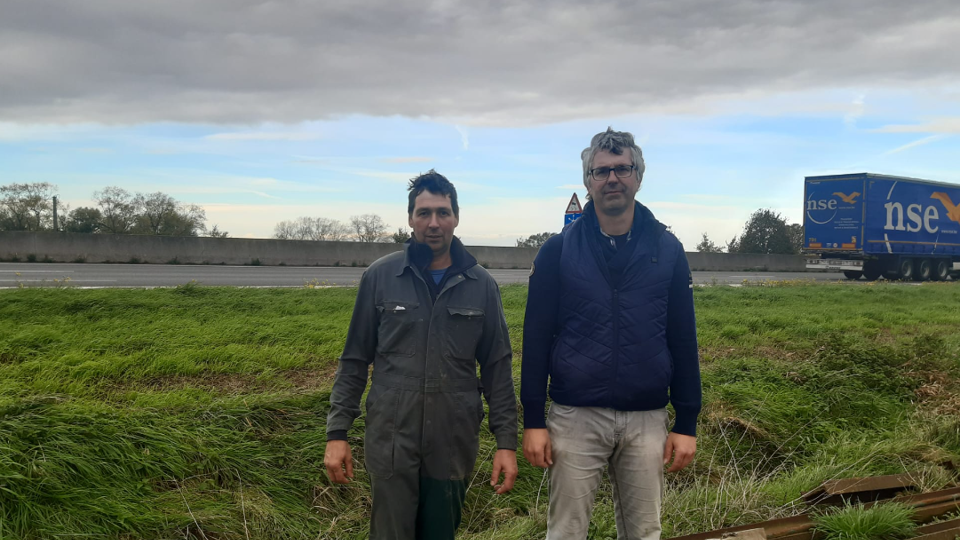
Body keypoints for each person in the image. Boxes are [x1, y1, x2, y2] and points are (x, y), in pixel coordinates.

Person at [521, 128, 702, 540]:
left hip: (647, 419)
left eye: (622, 169)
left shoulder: (668, 250)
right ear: (588, 182)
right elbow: (536, 339)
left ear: (638, 176)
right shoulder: (557, 251)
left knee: (643, 532)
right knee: (565, 531)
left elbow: (682, 338)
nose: (612, 179)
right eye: (601, 171)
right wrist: (533, 419)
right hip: (574, 418)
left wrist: (687, 420)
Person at [324, 170, 518, 540]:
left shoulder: (482, 286)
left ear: (456, 218)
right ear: (410, 218)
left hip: (452, 438)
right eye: (424, 213)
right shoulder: (380, 277)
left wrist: (506, 443)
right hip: (392, 436)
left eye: (442, 213)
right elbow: (353, 360)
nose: (433, 223)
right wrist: (337, 433)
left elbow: (497, 369)